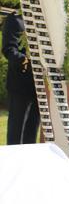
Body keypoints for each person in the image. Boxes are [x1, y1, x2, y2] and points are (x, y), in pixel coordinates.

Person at [2, 12, 40, 144]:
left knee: (32, 132)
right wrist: (26, 61)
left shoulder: (43, 18)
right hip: (20, 86)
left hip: (39, 87)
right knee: (16, 133)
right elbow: (9, 49)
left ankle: (28, 162)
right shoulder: (15, 19)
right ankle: (13, 163)